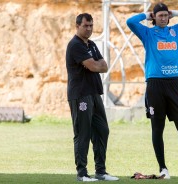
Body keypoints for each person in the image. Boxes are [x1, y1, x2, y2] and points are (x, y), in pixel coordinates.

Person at [126, 3, 178, 179]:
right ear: (155, 17)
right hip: (155, 85)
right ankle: (163, 169)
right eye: (159, 15)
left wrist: (176, 13)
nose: (163, 18)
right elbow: (130, 21)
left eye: (165, 15)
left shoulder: (177, 31)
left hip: (174, 84)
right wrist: (147, 15)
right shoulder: (148, 33)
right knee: (157, 128)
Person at [66, 13, 119, 182]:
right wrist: (95, 65)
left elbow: (103, 65)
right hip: (80, 94)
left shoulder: (92, 44)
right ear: (77, 26)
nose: (88, 29)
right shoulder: (75, 45)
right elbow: (94, 65)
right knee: (83, 133)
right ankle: (82, 173)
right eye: (85, 26)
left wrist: (96, 65)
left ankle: (101, 171)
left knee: (102, 130)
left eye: (91, 25)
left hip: (94, 93)